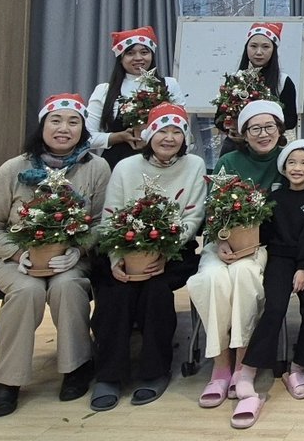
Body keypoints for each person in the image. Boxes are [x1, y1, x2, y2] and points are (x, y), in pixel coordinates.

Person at [0, 94, 111, 417]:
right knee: (27, 291)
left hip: (71, 258)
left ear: (83, 129)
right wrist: (17, 253)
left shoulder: (96, 168)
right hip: (17, 261)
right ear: (42, 126)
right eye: (56, 120)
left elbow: (101, 222)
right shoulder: (14, 168)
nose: (64, 128)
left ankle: (76, 366)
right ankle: (7, 380)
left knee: (67, 287)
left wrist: (79, 249)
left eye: (73, 122)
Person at [90, 103, 206, 412]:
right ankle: (109, 375)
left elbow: (193, 217)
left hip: (174, 252)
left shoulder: (194, 165)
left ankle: (154, 371)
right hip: (123, 248)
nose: (169, 138)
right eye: (162, 131)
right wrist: (116, 257)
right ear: (149, 134)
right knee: (115, 293)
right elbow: (110, 217)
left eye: (176, 132)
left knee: (156, 292)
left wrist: (163, 252)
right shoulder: (125, 167)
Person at [187, 100, 285, 411]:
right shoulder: (229, 161)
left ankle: (243, 363)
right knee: (211, 279)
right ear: (243, 133)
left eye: (269, 127)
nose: (263, 134)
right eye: (255, 129)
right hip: (223, 243)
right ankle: (220, 365)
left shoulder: (287, 159)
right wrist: (221, 240)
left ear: (280, 130)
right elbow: (213, 208)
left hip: (262, 246)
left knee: (244, 276)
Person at [231, 140, 304, 428]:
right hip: (278, 260)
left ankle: (298, 367)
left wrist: (303, 267)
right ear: (283, 168)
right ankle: (248, 369)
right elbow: (263, 233)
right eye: (292, 162)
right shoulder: (273, 197)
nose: (297, 168)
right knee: (274, 307)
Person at [86, 26, 186, 169]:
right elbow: (87, 138)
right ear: (120, 58)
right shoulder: (104, 91)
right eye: (130, 53)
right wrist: (119, 137)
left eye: (144, 52)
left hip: (164, 164)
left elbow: (184, 129)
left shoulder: (169, 85)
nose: (138, 58)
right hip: (117, 165)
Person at [215, 22, 299, 157]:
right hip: (236, 146)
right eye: (253, 46)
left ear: (274, 50)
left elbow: (290, 120)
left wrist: (261, 128)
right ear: (246, 48)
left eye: (265, 47)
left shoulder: (283, 81)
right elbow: (219, 118)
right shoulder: (235, 78)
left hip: (269, 147)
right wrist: (232, 127)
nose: (259, 52)